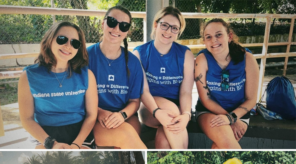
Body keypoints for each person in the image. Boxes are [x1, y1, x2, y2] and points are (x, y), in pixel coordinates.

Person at [18, 21, 98, 149]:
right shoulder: (28, 76)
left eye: (75, 43)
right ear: (50, 40)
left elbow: (91, 115)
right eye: (62, 39)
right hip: (43, 134)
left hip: (79, 133)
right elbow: (27, 119)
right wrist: (51, 143)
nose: (68, 46)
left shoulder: (87, 75)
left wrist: (76, 144)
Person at [133, 6, 194, 149]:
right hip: (149, 107)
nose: (168, 31)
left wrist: (186, 115)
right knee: (172, 111)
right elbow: (144, 92)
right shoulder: (139, 53)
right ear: (156, 24)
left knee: (163, 140)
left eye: (174, 28)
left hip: (178, 108)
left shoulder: (185, 54)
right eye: (165, 25)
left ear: (179, 32)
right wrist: (157, 112)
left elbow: (186, 92)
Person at [87, 6, 147, 149]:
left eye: (124, 26)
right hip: (94, 115)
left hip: (125, 114)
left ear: (127, 32)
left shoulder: (133, 62)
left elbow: (134, 101)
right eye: (112, 22)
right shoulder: (86, 56)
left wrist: (121, 115)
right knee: (125, 135)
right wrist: (100, 112)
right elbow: (79, 97)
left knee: (128, 137)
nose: (116, 29)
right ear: (103, 24)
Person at [194, 19, 259, 149]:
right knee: (226, 140)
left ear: (229, 36)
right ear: (204, 41)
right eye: (209, 37)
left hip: (239, 113)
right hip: (209, 111)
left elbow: (251, 99)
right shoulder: (202, 60)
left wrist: (232, 118)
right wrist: (228, 119)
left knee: (219, 147)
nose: (214, 40)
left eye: (219, 35)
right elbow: (205, 99)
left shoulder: (247, 59)